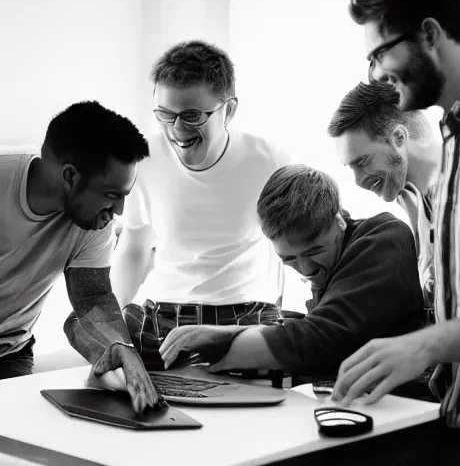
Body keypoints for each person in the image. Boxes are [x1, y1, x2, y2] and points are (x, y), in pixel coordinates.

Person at [332, 0, 460, 439]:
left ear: (429, 35)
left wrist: (423, 346)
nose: (374, 75)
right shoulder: (457, 148)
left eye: (379, 54)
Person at [110, 40, 298, 369]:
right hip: (164, 319)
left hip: (245, 318)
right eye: (165, 115)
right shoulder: (142, 158)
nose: (177, 130)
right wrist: (109, 328)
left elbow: (293, 250)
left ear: (229, 109)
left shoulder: (270, 161)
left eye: (192, 115)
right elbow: (135, 249)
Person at [158, 164, 425, 378]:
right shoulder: (332, 268)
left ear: (339, 220)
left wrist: (222, 342)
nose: (305, 268)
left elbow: (321, 337)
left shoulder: (385, 239)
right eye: (289, 258)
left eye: (314, 251)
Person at [0, 100, 160, 414]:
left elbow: (92, 299)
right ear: (71, 177)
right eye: (112, 194)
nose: (119, 211)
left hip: (9, 354)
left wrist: (120, 348)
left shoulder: (94, 221)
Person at [328, 81, 441, 323]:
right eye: (350, 167)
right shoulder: (413, 201)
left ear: (398, 138)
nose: (357, 181)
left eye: (362, 161)